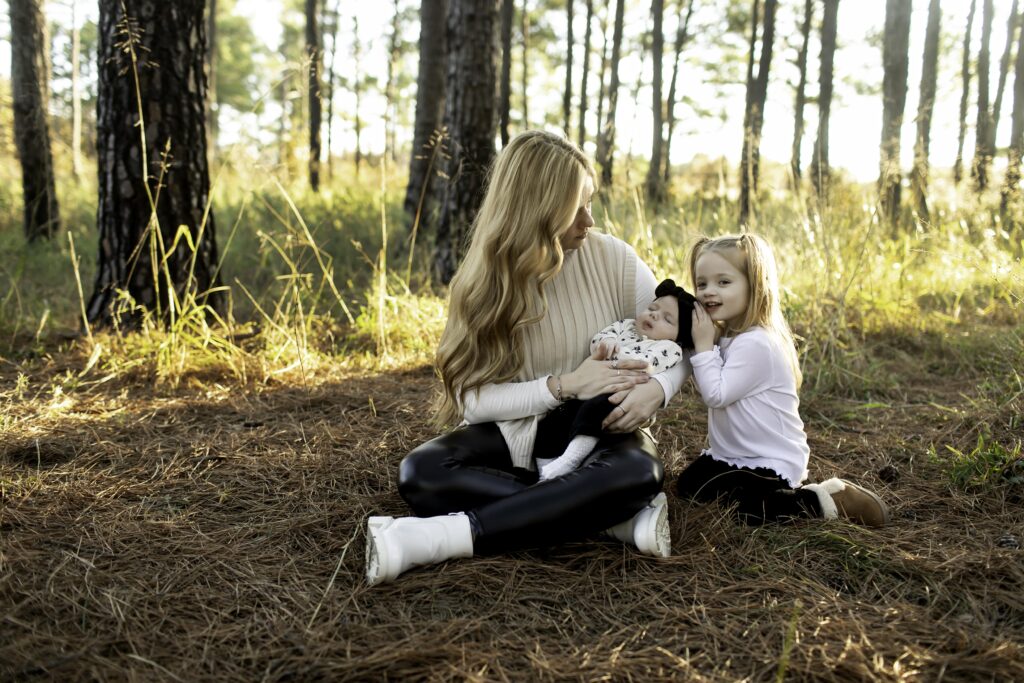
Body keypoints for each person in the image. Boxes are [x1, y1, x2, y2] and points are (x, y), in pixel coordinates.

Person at [365, 131, 690, 585]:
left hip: (598, 431)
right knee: (422, 472)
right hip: (514, 434)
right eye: (576, 208)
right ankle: (609, 519)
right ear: (538, 210)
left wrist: (658, 389)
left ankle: (436, 538)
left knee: (640, 470)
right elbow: (472, 401)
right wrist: (566, 386)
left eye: (590, 203)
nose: (589, 220)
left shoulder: (616, 260)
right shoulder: (483, 285)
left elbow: (680, 343)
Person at [677, 233, 890, 526]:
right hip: (731, 456)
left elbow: (716, 394)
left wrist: (702, 347)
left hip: (769, 461)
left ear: (755, 285)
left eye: (723, 282)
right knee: (690, 487)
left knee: (751, 510)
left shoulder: (757, 343)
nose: (708, 291)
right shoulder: (728, 335)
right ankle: (788, 494)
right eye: (702, 283)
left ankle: (826, 499)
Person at [536, 279, 696, 481]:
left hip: (620, 395)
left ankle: (571, 458)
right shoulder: (626, 326)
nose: (654, 314)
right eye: (652, 308)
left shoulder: (668, 348)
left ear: (677, 337)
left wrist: (612, 355)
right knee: (556, 418)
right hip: (591, 387)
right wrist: (606, 343)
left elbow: (643, 364)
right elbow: (599, 339)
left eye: (667, 319)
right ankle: (543, 472)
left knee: (593, 413)